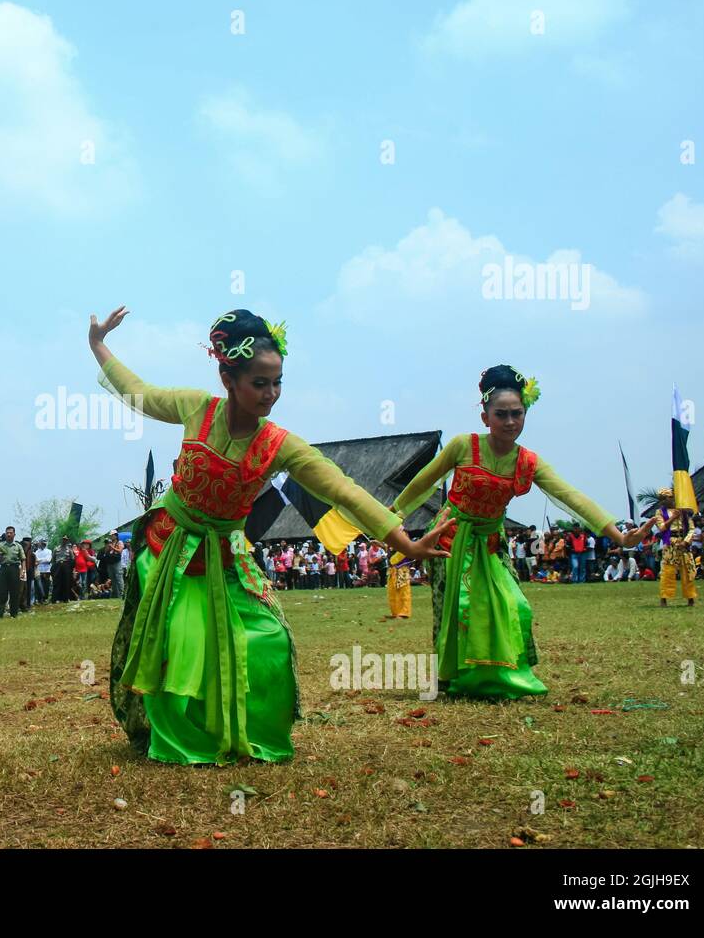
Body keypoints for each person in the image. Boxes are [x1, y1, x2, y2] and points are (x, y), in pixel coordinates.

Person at [91, 306, 446, 765]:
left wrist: (403, 542)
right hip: (170, 546)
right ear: (227, 378)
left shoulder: (279, 444)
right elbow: (138, 392)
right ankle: (179, 739)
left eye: (278, 382)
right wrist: (99, 345)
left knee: (269, 640)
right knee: (179, 641)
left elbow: (343, 489)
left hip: (227, 552)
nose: (271, 394)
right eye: (260, 383)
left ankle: (246, 730)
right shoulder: (195, 408)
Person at [389, 365, 655, 700]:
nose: (510, 421)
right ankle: (452, 679)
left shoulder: (527, 461)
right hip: (448, 540)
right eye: (501, 414)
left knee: (512, 604)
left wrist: (618, 535)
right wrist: (393, 516)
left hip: (491, 542)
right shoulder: (462, 446)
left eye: (517, 413)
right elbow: (423, 482)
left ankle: (501, 673)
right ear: (485, 417)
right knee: (456, 609)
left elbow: (569, 495)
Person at [651, 489, 696, 606]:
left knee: (687, 570)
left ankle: (690, 598)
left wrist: (686, 541)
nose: (669, 500)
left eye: (670, 497)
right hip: (670, 543)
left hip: (684, 543)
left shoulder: (683, 511)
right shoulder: (659, 512)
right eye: (665, 498)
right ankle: (664, 598)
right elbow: (661, 528)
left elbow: (691, 528)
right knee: (667, 571)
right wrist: (673, 517)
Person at [0, 526, 23, 617]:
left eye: (10, 533)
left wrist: (23, 571)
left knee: (14, 592)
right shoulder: (1, 545)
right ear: (5, 534)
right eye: (7, 533)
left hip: (14, 568)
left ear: (14, 534)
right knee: (2, 591)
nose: (9, 534)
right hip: (4, 568)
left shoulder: (18, 546)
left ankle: (14, 613)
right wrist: (0, 557)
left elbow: (23, 559)